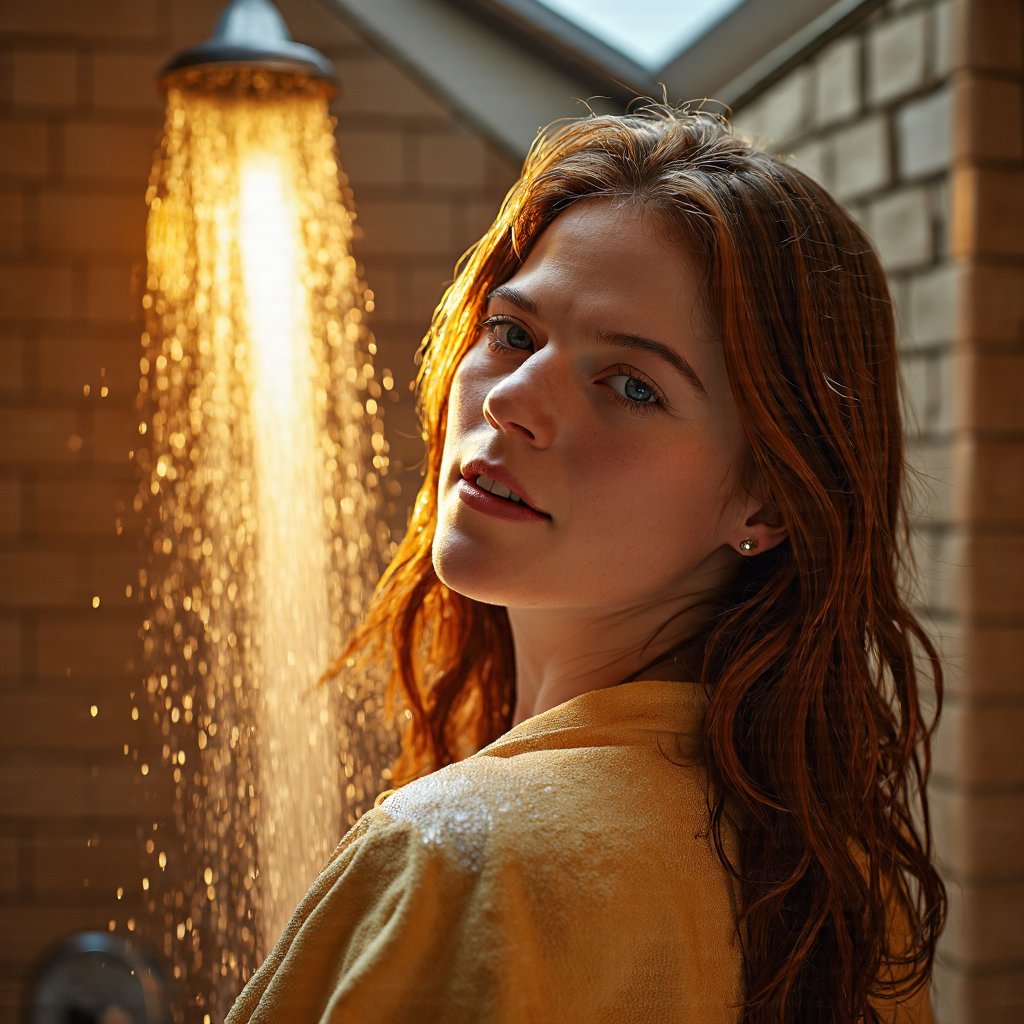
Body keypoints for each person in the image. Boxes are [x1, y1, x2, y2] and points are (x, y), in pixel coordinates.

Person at [225, 106, 946, 1024]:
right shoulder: (840, 888)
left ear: (766, 502)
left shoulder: (460, 859)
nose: (514, 399)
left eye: (632, 384)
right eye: (513, 333)